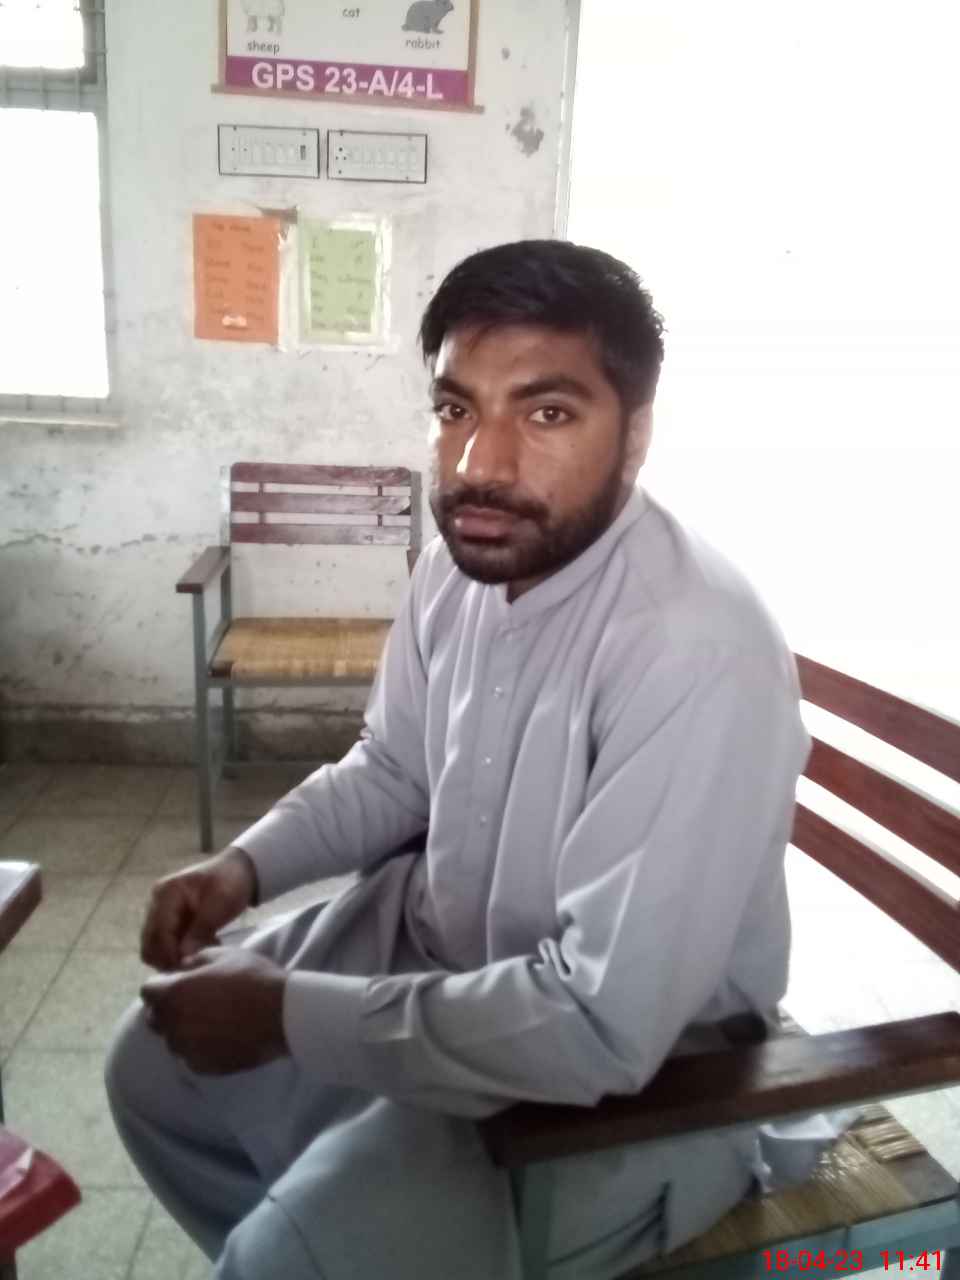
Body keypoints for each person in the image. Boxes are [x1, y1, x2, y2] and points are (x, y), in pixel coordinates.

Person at [106, 240, 810, 1280]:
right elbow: (395, 768)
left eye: (548, 412)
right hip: (445, 960)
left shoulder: (693, 647)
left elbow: (602, 1022)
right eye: (455, 408)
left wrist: (287, 1013)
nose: (481, 463)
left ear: (636, 434)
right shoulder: (461, 565)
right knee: (151, 1071)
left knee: (284, 1257)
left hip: (643, 1077)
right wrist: (243, 868)